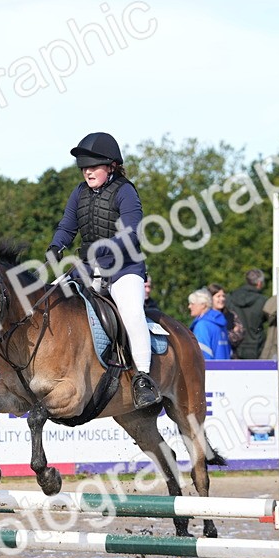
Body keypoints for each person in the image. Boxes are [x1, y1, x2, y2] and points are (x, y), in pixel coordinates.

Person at [47, 132, 159, 407]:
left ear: (111, 166)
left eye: (93, 167)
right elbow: (67, 225)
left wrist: (103, 249)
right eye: (84, 167)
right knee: (49, 299)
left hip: (124, 268)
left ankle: (143, 378)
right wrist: (56, 245)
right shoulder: (79, 193)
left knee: (132, 313)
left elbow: (132, 232)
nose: (87, 172)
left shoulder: (125, 191)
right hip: (87, 267)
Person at [229, 269, 269, 359]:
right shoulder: (262, 301)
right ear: (259, 283)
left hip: (235, 346)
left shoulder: (230, 298)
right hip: (256, 348)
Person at [187, 288, 231, 360]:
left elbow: (202, 355)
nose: (189, 306)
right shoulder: (220, 322)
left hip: (211, 370)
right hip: (225, 368)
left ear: (203, 305)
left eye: (192, 303)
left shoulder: (202, 325)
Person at [207, 282, 243, 351]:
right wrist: (230, 333)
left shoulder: (231, 315)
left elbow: (240, 335)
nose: (222, 299)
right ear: (210, 298)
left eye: (223, 296)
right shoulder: (205, 316)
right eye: (218, 296)